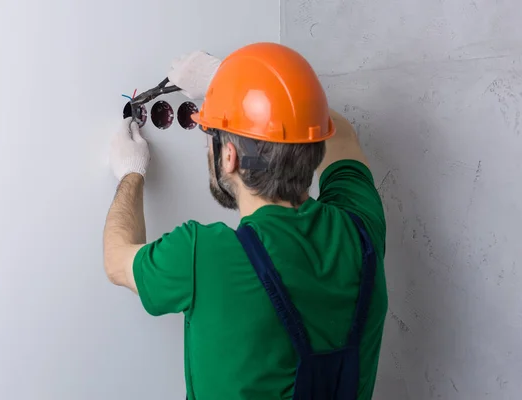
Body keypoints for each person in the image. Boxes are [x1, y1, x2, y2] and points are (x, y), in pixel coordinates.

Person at [104, 43, 388, 400]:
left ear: (229, 157)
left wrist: (131, 172)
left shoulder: (203, 256)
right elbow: (341, 133)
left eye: (210, 137)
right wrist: (231, 80)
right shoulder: (361, 228)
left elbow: (117, 260)